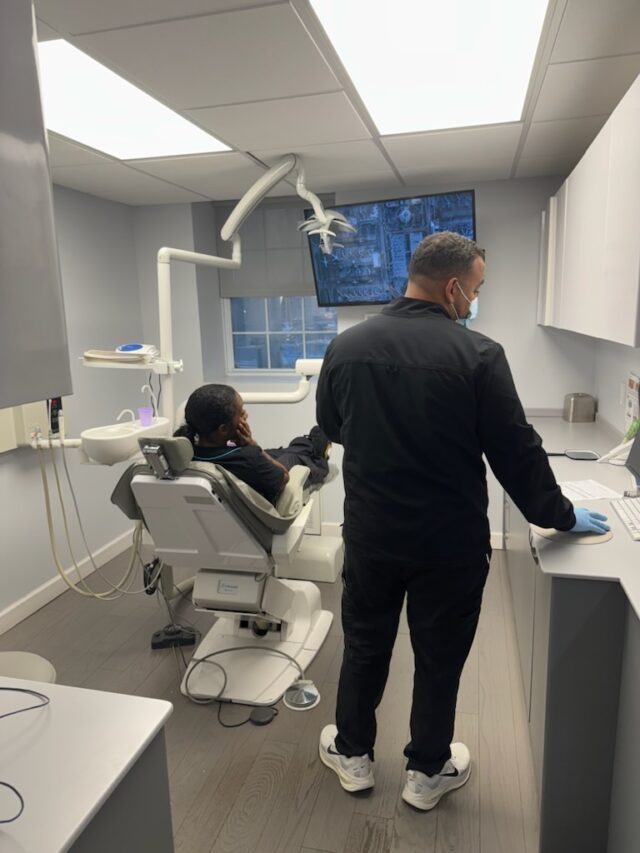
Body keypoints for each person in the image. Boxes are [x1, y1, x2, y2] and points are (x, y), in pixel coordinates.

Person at [315, 230, 609, 810]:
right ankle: (427, 773)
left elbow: (332, 425)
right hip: (449, 545)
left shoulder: (346, 347)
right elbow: (516, 453)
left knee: (365, 645)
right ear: (452, 287)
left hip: (373, 536)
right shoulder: (479, 355)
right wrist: (559, 514)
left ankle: (352, 757)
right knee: (439, 656)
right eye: (475, 289)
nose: (474, 301)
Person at [174, 383, 330, 505]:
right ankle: (316, 454)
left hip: (248, 472)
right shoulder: (248, 456)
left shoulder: (182, 454)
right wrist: (251, 445)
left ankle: (304, 444)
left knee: (278, 452)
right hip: (265, 489)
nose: (245, 414)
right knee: (294, 456)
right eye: (241, 412)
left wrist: (249, 447)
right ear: (223, 429)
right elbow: (284, 477)